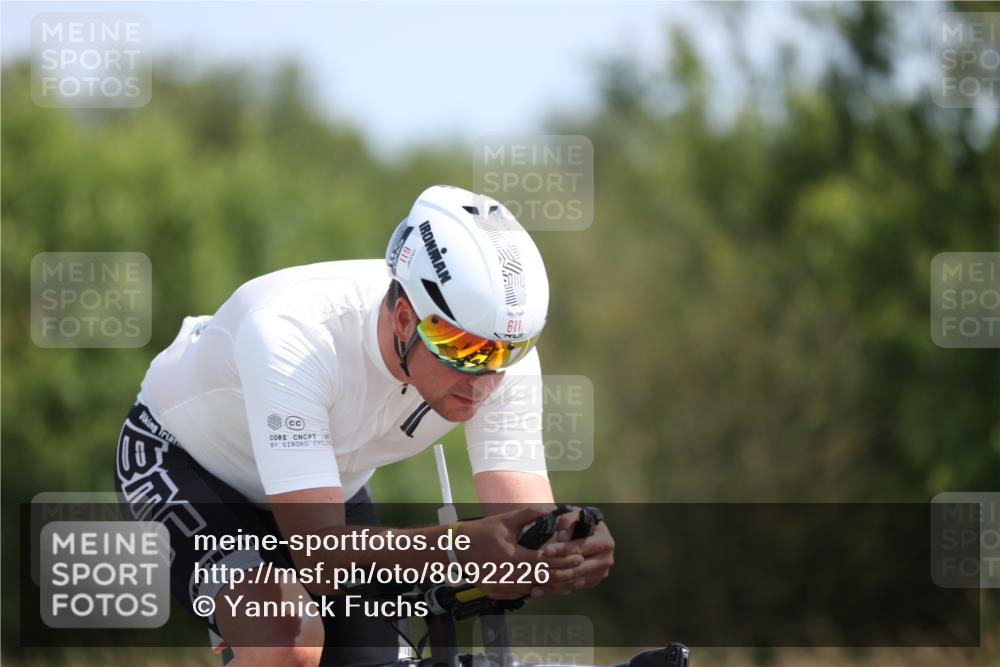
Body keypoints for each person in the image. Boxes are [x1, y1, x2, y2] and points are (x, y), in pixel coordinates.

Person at [113, 185, 615, 667]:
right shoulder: (291, 335)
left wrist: (562, 548)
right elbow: (318, 558)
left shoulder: (497, 355)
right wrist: (459, 545)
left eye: (510, 352)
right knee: (285, 639)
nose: (486, 380)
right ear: (404, 319)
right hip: (186, 465)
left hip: (326, 488)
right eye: (464, 350)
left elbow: (523, 520)